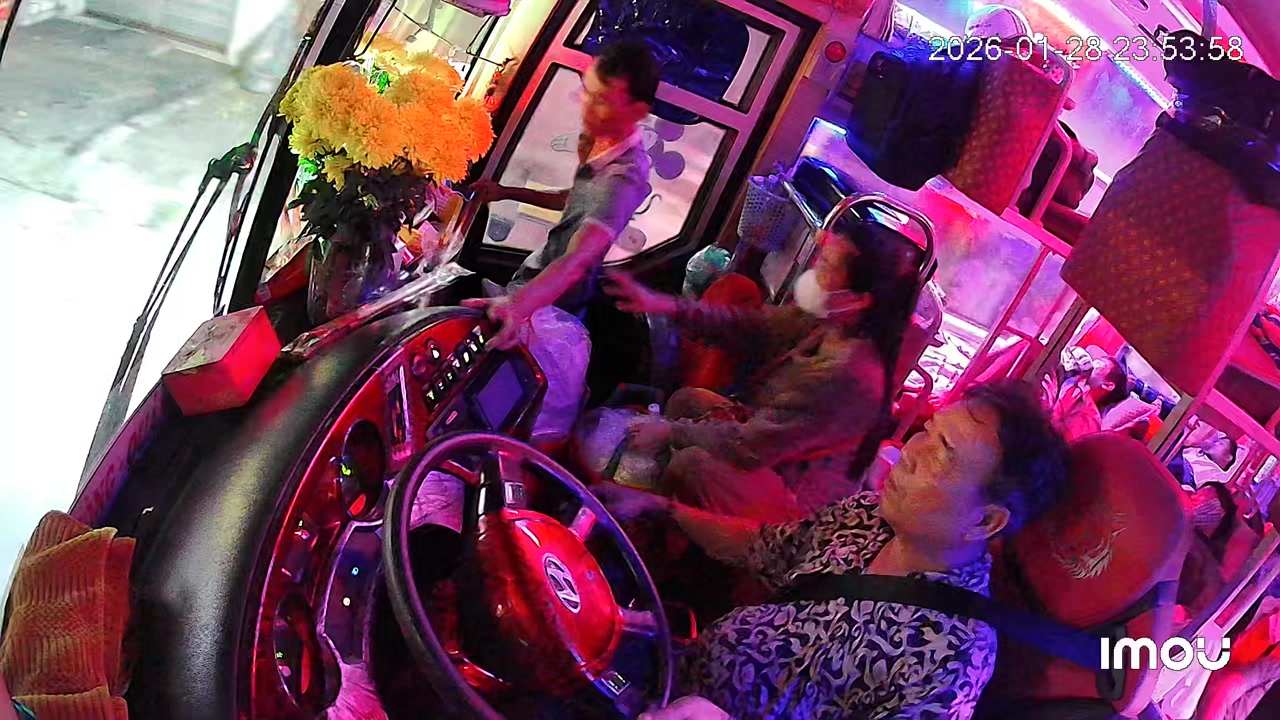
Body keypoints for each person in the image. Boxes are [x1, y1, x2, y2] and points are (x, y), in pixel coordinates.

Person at [596, 380, 1072, 719]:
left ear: (984, 521)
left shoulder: (952, 656)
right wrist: (662, 508)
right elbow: (762, 547)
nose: (910, 452)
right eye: (927, 431)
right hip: (675, 670)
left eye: (943, 452)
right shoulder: (866, 516)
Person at [604, 221, 921, 521]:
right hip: (774, 449)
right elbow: (755, 327)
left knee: (691, 464)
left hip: (796, 501)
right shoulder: (832, 320)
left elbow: (748, 447)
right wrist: (667, 306)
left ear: (858, 299)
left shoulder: (846, 372)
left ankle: (665, 526)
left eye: (826, 267)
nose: (814, 271)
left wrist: (670, 432)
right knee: (686, 401)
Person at [464, 40, 658, 348]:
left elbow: (578, 259)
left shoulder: (624, 178)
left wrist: (519, 305)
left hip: (549, 312)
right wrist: (504, 192)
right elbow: (574, 200)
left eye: (602, 100)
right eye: (587, 91)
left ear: (638, 112)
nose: (586, 108)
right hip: (530, 284)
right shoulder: (598, 140)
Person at [1049, 348, 1130, 441]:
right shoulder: (1075, 381)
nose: (1092, 362)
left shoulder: (1090, 421)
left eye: (1099, 363)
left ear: (1107, 385)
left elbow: (1056, 438)